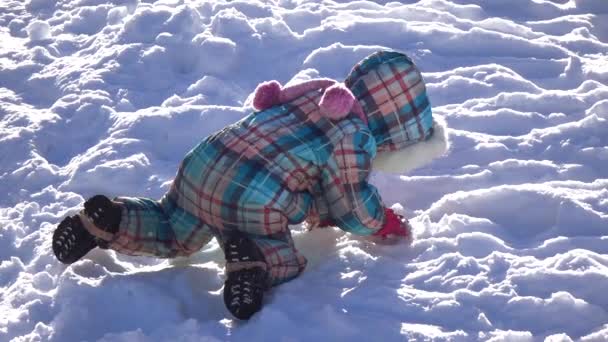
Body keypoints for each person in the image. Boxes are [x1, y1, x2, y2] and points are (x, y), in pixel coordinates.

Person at [52, 50, 449, 320]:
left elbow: (306, 166)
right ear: (393, 131)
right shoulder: (356, 135)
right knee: (282, 257)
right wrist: (383, 224)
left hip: (203, 165)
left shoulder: (314, 96)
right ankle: (252, 263)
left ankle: (110, 221)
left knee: (173, 228)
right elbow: (350, 203)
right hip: (255, 198)